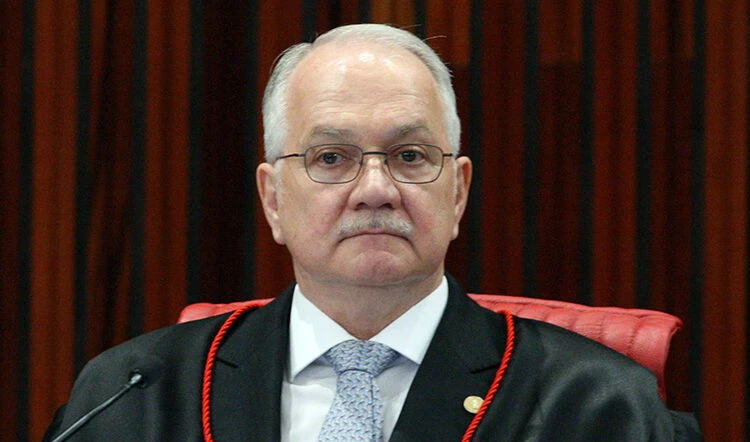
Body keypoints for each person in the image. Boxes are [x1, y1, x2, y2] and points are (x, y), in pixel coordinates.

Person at [45, 23, 701, 441]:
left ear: (458, 192)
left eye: (410, 156)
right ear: (273, 199)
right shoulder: (136, 394)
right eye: (332, 158)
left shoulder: (596, 405)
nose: (376, 188)